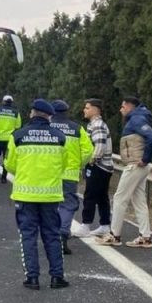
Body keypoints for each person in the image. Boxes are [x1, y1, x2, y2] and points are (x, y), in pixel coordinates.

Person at [5, 99, 69, 289]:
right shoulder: (60, 137)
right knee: (52, 235)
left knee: (28, 236)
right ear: (49, 115)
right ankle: (57, 277)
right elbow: (64, 165)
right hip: (50, 196)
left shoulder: (18, 135)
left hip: (25, 195)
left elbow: (9, 164)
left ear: (32, 113)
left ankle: (32, 277)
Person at [96, 97, 152, 248]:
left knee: (119, 198)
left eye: (123, 106)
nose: (120, 109)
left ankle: (114, 235)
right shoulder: (140, 118)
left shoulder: (136, 119)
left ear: (131, 106)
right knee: (139, 201)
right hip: (139, 166)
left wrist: (145, 159)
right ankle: (146, 237)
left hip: (135, 165)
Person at [48, 100, 93, 254]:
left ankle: (51, 237)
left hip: (48, 174)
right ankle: (62, 233)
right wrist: (79, 164)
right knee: (67, 205)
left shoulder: (45, 127)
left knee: (50, 206)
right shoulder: (77, 129)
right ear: (67, 111)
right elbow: (88, 151)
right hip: (69, 174)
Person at [72, 99, 114, 238]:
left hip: (99, 166)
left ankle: (86, 225)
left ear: (96, 110)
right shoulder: (94, 124)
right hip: (103, 166)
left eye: (87, 108)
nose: (84, 110)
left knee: (90, 195)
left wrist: (90, 161)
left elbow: (99, 146)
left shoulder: (97, 125)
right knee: (102, 197)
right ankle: (104, 225)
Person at [0, 95, 22, 183]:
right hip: (9, 140)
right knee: (7, 158)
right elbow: (18, 126)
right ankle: (4, 177)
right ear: (11, 102)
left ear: (3, 101)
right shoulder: (16, 113)